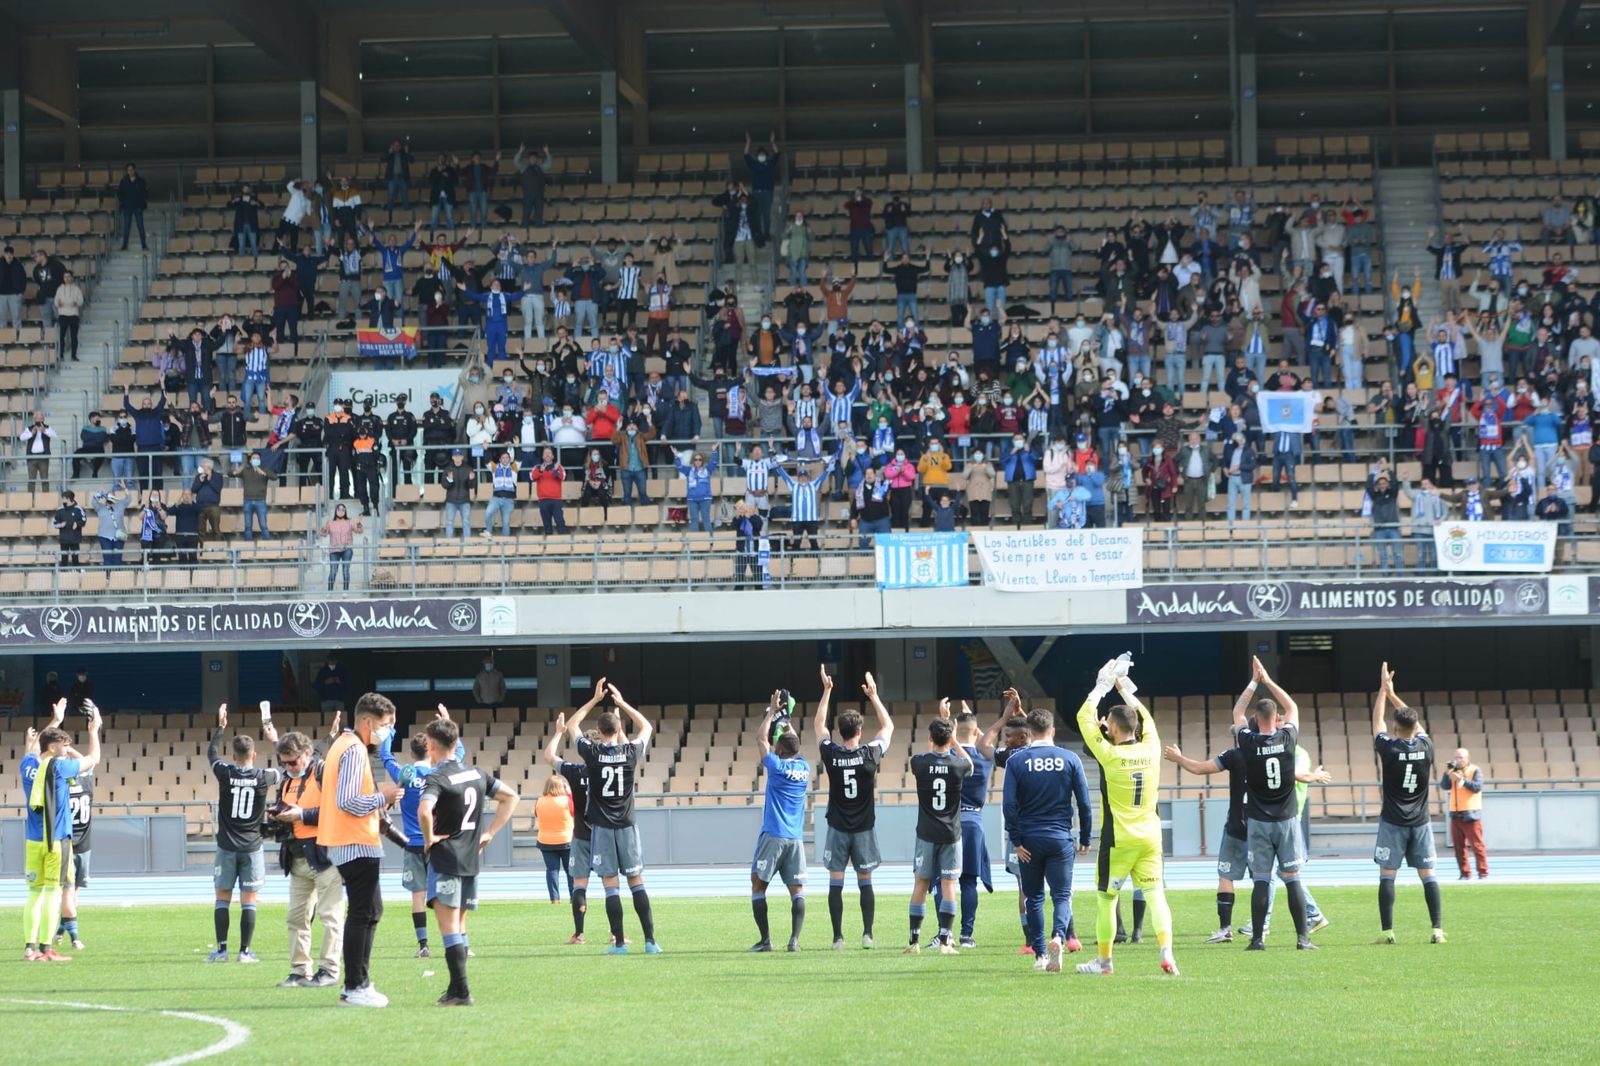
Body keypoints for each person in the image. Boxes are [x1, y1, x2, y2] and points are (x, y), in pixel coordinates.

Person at [1074, 654, 1179, 977]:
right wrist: (1124, 688)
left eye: (1109, 723)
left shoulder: (1109, 755)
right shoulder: (1152, 746)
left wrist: (1102, 686)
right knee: (1156, 894)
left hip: (1119, 839)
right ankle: (1166, 952)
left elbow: (1083, 716)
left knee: (1106, 899)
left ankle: (1104, 962)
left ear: (1114, 728)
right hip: (1150, 836)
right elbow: (1145, 716)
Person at [419, 715, 519, 1006]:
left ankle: (461, 991)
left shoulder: (436, 777)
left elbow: (425, 811)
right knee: (459, 926)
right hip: (470, 859)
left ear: (431, 744)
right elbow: (511, 797)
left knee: (449, 927)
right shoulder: (476, 773)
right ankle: (455, 989)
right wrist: (489, 833)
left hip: (446, 858)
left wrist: (428, 838)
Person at [1225, 657, 1317, 953]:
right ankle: (1302, 939)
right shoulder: (1289, 738)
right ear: (1277, 718)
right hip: (1287, 819)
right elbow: (1293, 706)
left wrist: (1254, 682)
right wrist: (1267, 680)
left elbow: (1238, 711)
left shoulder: (1248, 743)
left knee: (1262, 881)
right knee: (1292, 879)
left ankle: (1257, 940)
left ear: (1257, 718)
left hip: (1259, 821)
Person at [317, 691, 403, 1007]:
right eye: (385, 724)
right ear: (367, 721)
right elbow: (349, 801)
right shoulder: (353, 749)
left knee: (371, 911)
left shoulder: (342, 745)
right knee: (363, 913)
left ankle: (358, 982)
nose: (388, 731)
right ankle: (355, 985)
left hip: (348, 840)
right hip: (355, 842)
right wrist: (384, 796)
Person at [567, 682, 661, 954]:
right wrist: (622, 704)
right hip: (628, 826)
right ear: (618, 730)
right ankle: (650, 942)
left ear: (598, 732)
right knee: (636, 882)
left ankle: (619, 943)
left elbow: (572, 725)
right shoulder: (630, 752)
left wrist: (594, 700)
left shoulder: (592, 753)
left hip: (603, 828)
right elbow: (646, 726)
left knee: (611, 886)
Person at [1004, 705, 1093, 973]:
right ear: (1052, 730)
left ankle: (1041, 955)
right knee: (1062, 896)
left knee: (1033, 898)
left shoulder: (1016, 761)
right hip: (1059, 838)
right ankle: (1058, 937)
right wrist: (1085, 836)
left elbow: (1008, 805)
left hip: (1029, 840)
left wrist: (1016, 840)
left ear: (1029, 732)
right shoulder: (1070, 759)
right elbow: (1084, 802)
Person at [813, 667, 893, 950]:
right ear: (859, 731)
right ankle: (867, 934)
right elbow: (888, 727)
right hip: (863, 829)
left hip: (837, 827)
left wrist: (827, 691)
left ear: (839, 731)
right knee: (865, 880)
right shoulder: (870, 754)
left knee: (836, 881)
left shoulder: (831, 754)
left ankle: (837, 938)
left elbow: (818, 726)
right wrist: (874, 696)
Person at [378, 705, 463, 960]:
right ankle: (456, 941)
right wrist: (447, 721)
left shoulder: (405, 774)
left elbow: (385, 755)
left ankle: (423, 945)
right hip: (437, 842)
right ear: (431, 749)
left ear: (411, 753)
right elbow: (458, 753)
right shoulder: (440, 772)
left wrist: (391, 728)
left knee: (418, 894)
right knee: (447, 892)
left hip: (413, 843)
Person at [1370, 662, 1446, 944]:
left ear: (1395, 727)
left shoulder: (1389, 748)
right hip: (1421, 822)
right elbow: (1415, 724)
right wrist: (1393, 694)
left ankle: (1387, 932)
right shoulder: (1426, 746)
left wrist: (1382, 691)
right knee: (1428, 875)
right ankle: (1437, 930)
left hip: (1393, 821)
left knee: (1387, 875)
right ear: (1416, 727)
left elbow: (1376, 722)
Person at [21, 697, 101, 961]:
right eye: (64, 746)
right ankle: (46, 949)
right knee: (53, 894)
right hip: (56, 841)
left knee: (34, 894)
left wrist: (55, 721)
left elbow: (36, 746)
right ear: (53, 747)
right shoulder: (61, 767)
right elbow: (93, 758)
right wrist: (94, 730)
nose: (67, 750)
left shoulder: (27, 765)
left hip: (33, 840)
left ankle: (29, 948)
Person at [267, 722, 343, 989]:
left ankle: (329, 970)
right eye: (284, 762)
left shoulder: (323, 774)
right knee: (296, 917)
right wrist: (277, 814)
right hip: (297, 856)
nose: (289, 767)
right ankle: (300, 971)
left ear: (308, 753)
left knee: (330, 916)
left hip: (325, 856)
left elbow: (337, 811)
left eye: (293, 761)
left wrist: (301, 815)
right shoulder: (287, 780)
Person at [206, 702, 281, 965]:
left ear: (233, 755)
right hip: (252, 847)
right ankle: (245, 952)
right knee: (249, 900)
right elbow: (287, 768)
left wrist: (220, 727)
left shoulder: (224, 773)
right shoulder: (264, 776)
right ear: (254, 755)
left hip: (226, 846)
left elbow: (211, 753)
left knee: (222, 899)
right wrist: (275, 739)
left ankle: (221, 951)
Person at [748, 691, 813, 953]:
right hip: (795, 839)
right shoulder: (805, 767)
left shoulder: (776, 767)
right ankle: (794, 941)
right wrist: (785, 720)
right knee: (796, 890)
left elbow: (760, 739)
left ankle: (765, 941)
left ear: (780, 750)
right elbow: (793, 743)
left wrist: (772, 714)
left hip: (773, 834)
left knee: (758, 884)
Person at [544, 680, 608, 944]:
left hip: (581, 836)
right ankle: (616, 934)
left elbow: (549, 756)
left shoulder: (574, 770)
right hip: (605, 834)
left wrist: (559, 733)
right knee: (611, 886)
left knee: (579, 885)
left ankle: (579, 934)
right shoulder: (612, 767)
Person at [904, 713, 973, 955]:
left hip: (926, 833)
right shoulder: (958, 765)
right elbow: (970, 764)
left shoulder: (919, 762)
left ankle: (914, 942)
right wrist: (955, 741)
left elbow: (926, 758)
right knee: (949, 885)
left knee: (921, 884)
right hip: (951, 834)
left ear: (930, 738)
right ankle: (945, 942)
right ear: (950, 738)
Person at [953, 699, 1006, 950]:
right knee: (968, 882)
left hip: (949, 822)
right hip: (973, 822)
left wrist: (956, 727)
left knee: (944, 880)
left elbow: (952, 739)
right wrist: (974, 726)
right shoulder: (985, 758)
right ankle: (966, 935)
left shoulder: (949, 754)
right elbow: (987, 741)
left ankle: (944, 934)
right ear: (976, 731)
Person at [54, 737, 96, 952]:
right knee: (72, 892)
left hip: (68, 842)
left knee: (68, 892)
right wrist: (70, 750)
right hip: (84, 843)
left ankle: (64, 930)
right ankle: (71, 934)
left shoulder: (61, 784)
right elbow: (90, 761)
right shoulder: (87, 782)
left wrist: (64, 752)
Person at [1443, 746, 1487, 880]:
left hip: (1471, 813)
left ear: (1468, 758)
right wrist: (1447, 773)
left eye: (1461, 757)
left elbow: (1477, 787)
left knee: (1477, 845)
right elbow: (1444, 786)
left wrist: (1461, 780)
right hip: (1455, 813)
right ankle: (1464, 873)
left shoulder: (1475, 770)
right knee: (1458, 846)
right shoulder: (1452, 771)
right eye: (1456, 757)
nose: (1458, 760)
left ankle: (1483, 873)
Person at [535, 775, 575, 904]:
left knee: (552, 870)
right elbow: (574, 811)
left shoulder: (539, 801)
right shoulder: (566, 801)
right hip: (566, 840)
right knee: (570, 870)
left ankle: (555, 899)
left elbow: (536, 814)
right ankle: (573, 897)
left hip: (545, 841)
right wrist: (569, 793)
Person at [320, 504, 362, 592]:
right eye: (339, 509)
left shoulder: (350, 521)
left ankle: (345, 591)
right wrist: (323, 528)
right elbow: (324, 534)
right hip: (334, 550)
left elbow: (359, 531)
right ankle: (330, 591)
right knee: (333, 571)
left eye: (343, 509)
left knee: (346, 570)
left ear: (345, 511)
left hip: (347, 549)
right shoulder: (330, 522)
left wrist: (358, 523)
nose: (341, 511)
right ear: (336, 511)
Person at [53, 491, 86, 568]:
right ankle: (63, 574)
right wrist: (61, 525)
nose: (62, 500)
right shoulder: (60, 510)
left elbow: (84, 520)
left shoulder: (78, 509)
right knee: (64, 561)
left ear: (68, 499)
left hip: (75, 539)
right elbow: (55, 524)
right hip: (64, 540)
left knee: (75, 560)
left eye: (63, 498)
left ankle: (76, 573)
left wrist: (77, 524)